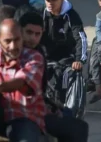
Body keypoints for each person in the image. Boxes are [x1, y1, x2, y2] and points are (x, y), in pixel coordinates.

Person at [17, 12, 89, 142]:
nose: (32, 38)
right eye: (29, 32)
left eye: (37, 34)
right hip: (20, 113)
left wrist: (56, 108)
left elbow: (39, 92)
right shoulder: (15, 51)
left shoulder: (38, 52)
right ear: (20, 30)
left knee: (79, 126)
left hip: (38, 110)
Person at [0, 19, 45, 142]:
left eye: (16, 40)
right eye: (8, 41)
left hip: (23, 116)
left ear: (21, 38)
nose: (13, 46)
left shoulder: (34, 57)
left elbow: (22, 81)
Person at [40, 0, 89, 116]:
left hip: (66, 57)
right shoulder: (41, 15)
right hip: (45, 56)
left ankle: (63, 109)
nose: (50, 2)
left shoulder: (72, 16)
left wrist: (79, 60)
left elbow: (81, 39)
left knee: (62, 76)